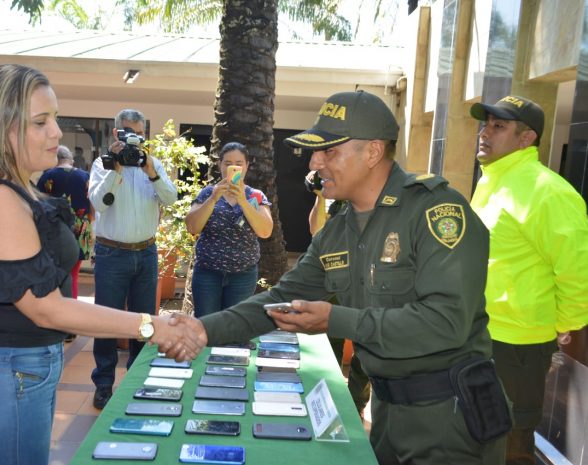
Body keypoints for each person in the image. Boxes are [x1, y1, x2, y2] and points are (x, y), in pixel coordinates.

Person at [175, 91, 510, 464]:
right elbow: (279, 299)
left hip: (450, 417)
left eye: (329, 151)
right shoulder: (338, 230)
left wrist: (337, 319)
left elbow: (445, 322)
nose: (314, 162)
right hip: (387, 413)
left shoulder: (435, 212)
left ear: (372, 152)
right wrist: (201, 330)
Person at [0, 64, 203, 465]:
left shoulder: (15, 186)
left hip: (24, 370)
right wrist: (151, 325)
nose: (57, 132)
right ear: (0, 127)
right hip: (6, 375)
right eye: (41, 122)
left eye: (55, 118)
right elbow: (45, 307)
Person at [468, 95, 588, 465]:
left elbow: (576, 267)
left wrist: (565, 324)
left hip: (518, 345)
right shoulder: (493, 182)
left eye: (498, 126)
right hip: (481, 334)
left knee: (511, 443)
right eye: (485, 124)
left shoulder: (547, 190)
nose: (484, 133)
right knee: (478, 436)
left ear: (526, 138)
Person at [88, 108, 178, 409]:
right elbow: (99, 203)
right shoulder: (102, 166)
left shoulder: (153, 165)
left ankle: (138, 381)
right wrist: (115, 171)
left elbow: (171, 198)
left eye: (139, 133)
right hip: (112, 253)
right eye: (128, 132)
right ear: (116, 134)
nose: (134, 139)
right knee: (105, 322)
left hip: (147, 253)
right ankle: (103, 384)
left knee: (144, 323)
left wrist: (151, 172)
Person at [305, 169, 371, 420]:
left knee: (364, 350)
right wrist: (320, 197)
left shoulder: (368, 194)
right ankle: (330, 400)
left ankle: (356, 405)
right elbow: (316, 230)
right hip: (333, 280)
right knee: (329, 346)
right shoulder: (332, 194)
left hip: (364, 281)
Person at [185, 142, 273, 317]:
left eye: (239, 163)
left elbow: (265, 231)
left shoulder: (255, 196)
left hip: (243, 275)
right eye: (228, 163)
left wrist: (242, 200)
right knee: (207, 325)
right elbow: (192, 227)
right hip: (207, 274)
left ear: (247, 166)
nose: (233, 167)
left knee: (235, 326)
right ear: (220, 165)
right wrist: (213, 198)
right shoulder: (207, 193)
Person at [36, 145, 93, 300]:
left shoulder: (47, 176)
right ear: (71, 160)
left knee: (51, 272)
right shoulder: (85, 176)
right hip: (80, 230)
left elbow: (38, 204)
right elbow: (92, 206)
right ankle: (71, 311)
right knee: (73, 275)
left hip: (53, 229)